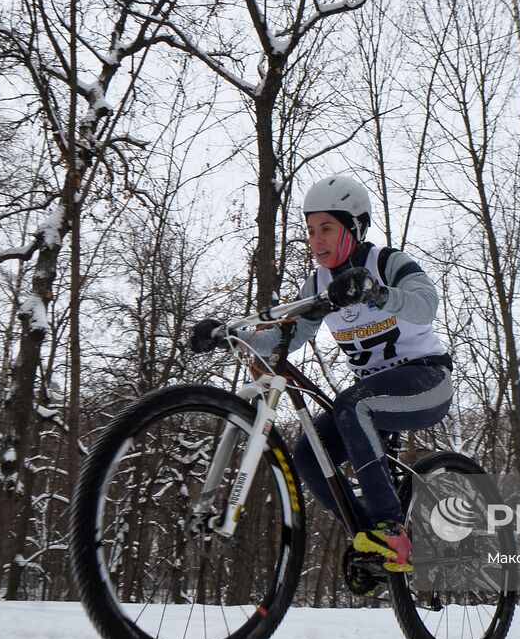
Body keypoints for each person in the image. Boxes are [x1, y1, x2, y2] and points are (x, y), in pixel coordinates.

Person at [189, 175, 453, 574]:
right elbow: (285, 337)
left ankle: (389, 528)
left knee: (352, 405)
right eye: (311, 230)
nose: (316, 239)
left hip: (427, 382)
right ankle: (371, 543)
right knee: (308, 458)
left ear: (355, 227)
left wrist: (376, 292)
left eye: (327, 228)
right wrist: (229, 334)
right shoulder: (320, 284)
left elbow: (426, 305)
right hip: (370, 396)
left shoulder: (385, 262)